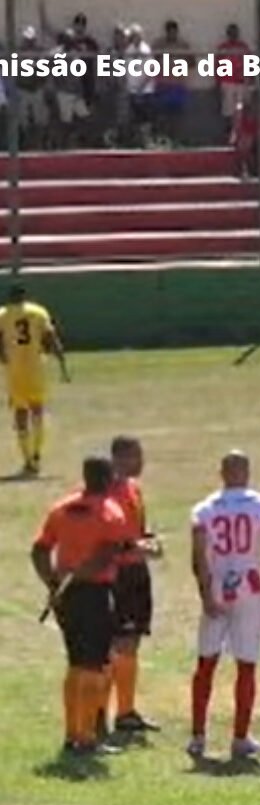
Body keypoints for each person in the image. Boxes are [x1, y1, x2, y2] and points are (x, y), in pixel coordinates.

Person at [30, 456, 153, 754]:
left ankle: (72, 732)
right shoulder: (110, 511)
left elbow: (39, 549)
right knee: (94, 666)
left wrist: (53, 582)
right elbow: (112, 551)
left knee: (75, 664)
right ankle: (86, 737)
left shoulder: (62, 508)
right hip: (95, 593)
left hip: (66, 595)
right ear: (109, 477)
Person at [187, 451, 260, 760]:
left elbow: (198, 555)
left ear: (221, 472)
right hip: (247, 585)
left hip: (218, 584)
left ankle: (198, 736)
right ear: (246, 472)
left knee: (206, 663)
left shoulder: (205, 508)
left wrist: (205, 594)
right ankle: (240, 736)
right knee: (246, 664)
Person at [107, 436, 164, 734]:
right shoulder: (107, 494)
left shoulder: (134, 490)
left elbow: (137, 531)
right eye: (134, 457)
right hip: (119, 575)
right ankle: (105, 712)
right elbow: (109, 541)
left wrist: (149, 540)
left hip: (138, 574)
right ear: (118, 458)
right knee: (118, 642)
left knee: (132, 642)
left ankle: (126, 711)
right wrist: (139, 549)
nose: (140, 462)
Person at [0, 283, 69, 476]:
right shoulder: (39, 312)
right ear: (25, 297)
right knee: (37, 411)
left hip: (15, 371)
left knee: (20, 413)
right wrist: (62, 361)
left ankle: (28, 460)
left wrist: (3, 356)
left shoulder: (3, 314)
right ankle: (37, 454)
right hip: (36, 368)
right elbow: (51, 337)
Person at [152, 19, 194, 146]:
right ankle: (163, 142)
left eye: (174, 32)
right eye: (169, 32)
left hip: (178, 85)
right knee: (162, 115)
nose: (172, 34)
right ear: (166, 32)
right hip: (163, 84)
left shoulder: (183, 45)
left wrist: (181, 64)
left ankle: (176, 141)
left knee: (177, 115)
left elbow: (192, 62)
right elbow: (150, 61)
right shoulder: (159, 45)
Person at [18, 26, 50, 149]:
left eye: (31, 39)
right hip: (23, 89)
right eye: (27, 39)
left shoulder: (40, 52)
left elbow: (45, 71)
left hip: (37, 88)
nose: (29, 42)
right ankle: (24, 143)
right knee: (23, 120)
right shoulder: (18, 53)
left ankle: (40, 144)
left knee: (40, 119)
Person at [125, 24, 156, 147]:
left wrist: (141, 88)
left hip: (145, 90)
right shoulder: (129, 50)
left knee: (145, 118)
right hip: (132, 89)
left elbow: (151, 69)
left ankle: (146, 141)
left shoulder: (145, 50)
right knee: (135, 117)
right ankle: (137, 142)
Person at [217, 23, 250, 136]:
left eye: (235, 32)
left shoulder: (243, 47)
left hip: (240, 84)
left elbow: (250, 65)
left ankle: (239, 133)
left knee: (239, 110)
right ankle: (230, 134)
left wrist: (249, 82)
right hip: (227, 83)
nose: (233, 35)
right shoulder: (223, 48)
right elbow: (218, 66)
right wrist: (218, 83)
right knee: (228, 111)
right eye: (231, 32)